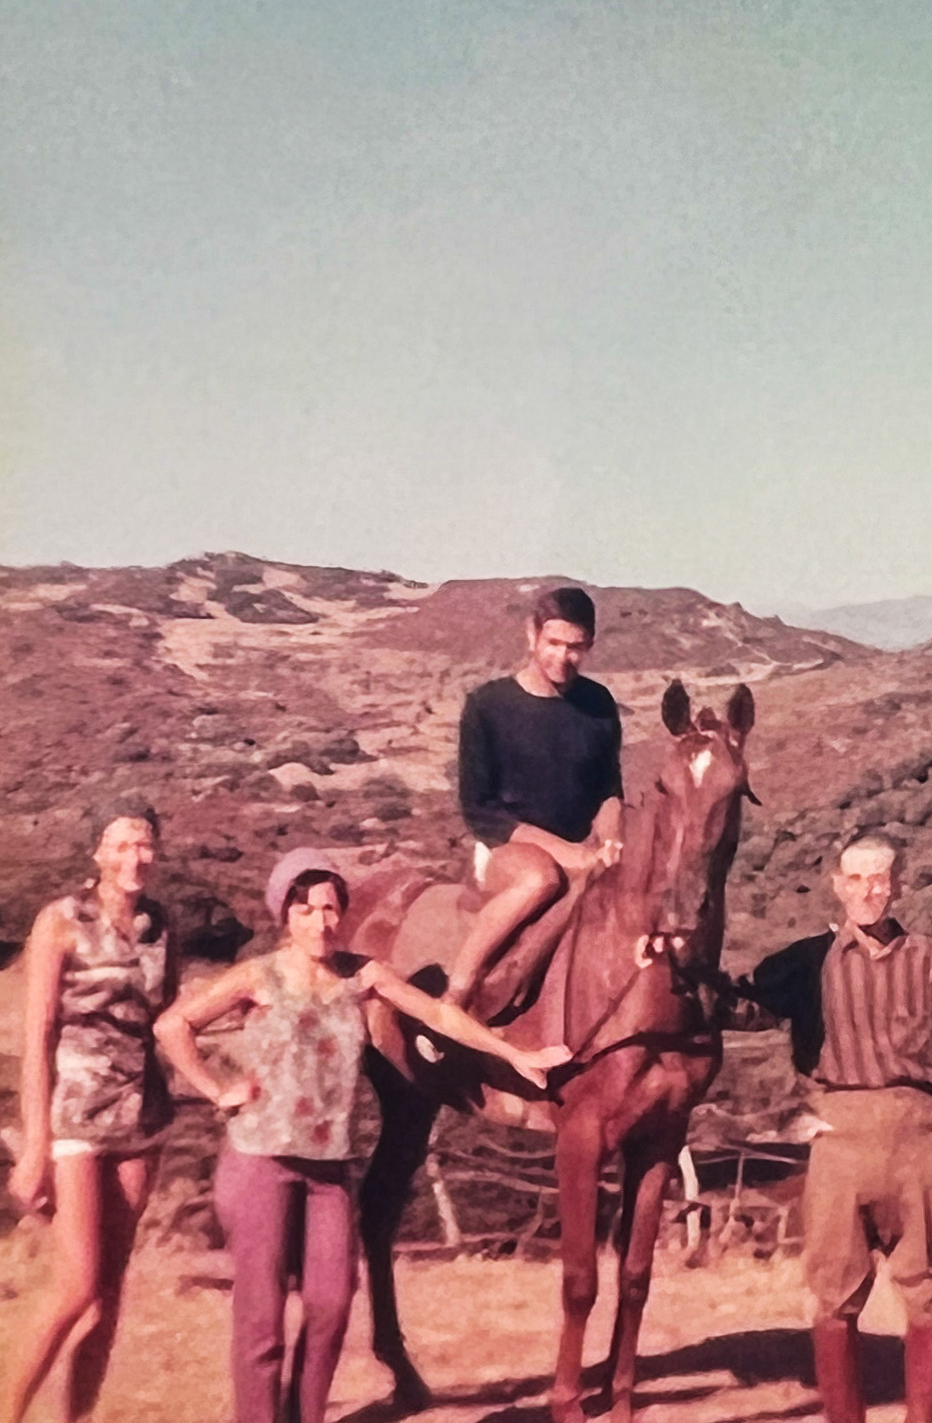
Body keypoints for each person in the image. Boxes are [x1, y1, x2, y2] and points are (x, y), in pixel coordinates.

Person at [158, 849, 568, 1423]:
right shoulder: (260, 977)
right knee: (263, 1319)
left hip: (329, 1168)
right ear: (286, 916)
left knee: (330, 1304)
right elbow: (174, 1024)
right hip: (260, 1163)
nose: (322, 922)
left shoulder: (362, 975)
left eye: (331, 909)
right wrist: (213, 1086)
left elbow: (440, 1014)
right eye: (308, 909)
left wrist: (512, 1053)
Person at [741, 836, 932, 1423]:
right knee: (833, 1295)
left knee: (928, 1293)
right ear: (836, 884)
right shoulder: (812, 961)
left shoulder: (926, 957)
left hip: (921, 1135)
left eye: (879, 879)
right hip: (841, 1132)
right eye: (855, 879)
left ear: (899, 884)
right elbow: (743, 1007)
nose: (867, 891)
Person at [0, 798, 176, 1423]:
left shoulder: (160, 924)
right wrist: (33, 1146)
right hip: (75, 1115)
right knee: (76, 1283)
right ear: (97, 852)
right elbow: (37, 1033)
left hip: (141, 1117)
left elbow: (166, 1021)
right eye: (123, 843)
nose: (137, 856)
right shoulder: (61, 920)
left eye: (146, 843)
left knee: (108, 1293)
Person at [442, 584, 625, 1011]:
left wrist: (612, 841)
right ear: (532, 635)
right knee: (542, 880)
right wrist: (567, 853)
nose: (563, 657)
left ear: (591, 645)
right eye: (554, 643)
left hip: (583, 846)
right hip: (509, 848)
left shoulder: (598, 704)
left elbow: (609, 790)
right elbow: (480, 809)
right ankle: (457, 997)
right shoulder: (488, 706)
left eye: (576, 647)